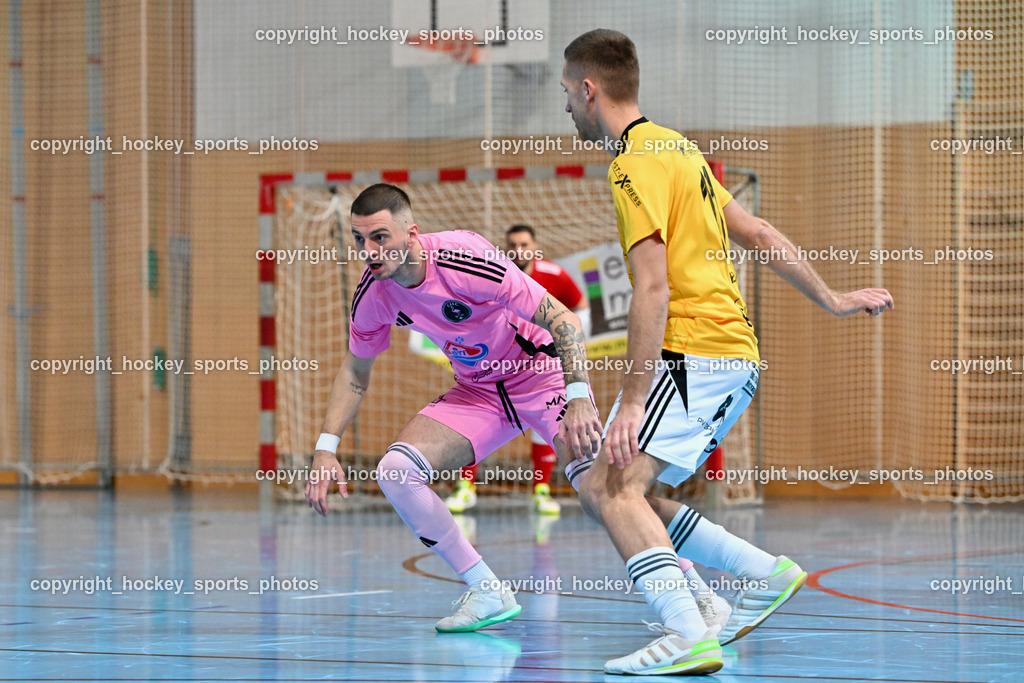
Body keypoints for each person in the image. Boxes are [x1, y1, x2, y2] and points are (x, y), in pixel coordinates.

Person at [560, 29, 895, 675]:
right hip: (731, 356)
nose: (567, 108)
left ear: (588, 89)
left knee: (612, 484)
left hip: (694, 352)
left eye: (567, 94)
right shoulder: (678, 149)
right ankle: (759, 576)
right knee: (604, 482)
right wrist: (831, 298)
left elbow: (652, 287)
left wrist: (631, 400)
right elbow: (760, 231)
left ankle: (688, 630)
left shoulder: (633, 163)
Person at [304, 183, 604, 633]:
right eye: (359, 239)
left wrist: (579, 396)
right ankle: (486, 589)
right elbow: (354, 372)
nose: (368, 250)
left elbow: (564, 319)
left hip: (542, 374)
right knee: (395, 471)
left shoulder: (465, 258)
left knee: (604, 489)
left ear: (411, 233)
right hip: (480, 391)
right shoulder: (374, 294)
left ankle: (692, 591)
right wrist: (326, 449)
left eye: (380, 237)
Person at [446, 224, 590, 517]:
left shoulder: (554, 275)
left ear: (535, 247)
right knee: (479, 425)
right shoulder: (494, 274)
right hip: (499, 366)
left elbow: (580, 308)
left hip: (542, 367)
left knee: (546, 429)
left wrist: (567, 345)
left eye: (524, 244)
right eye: (512, 244)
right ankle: (466, 489)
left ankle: (542, 491)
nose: (518, 250)